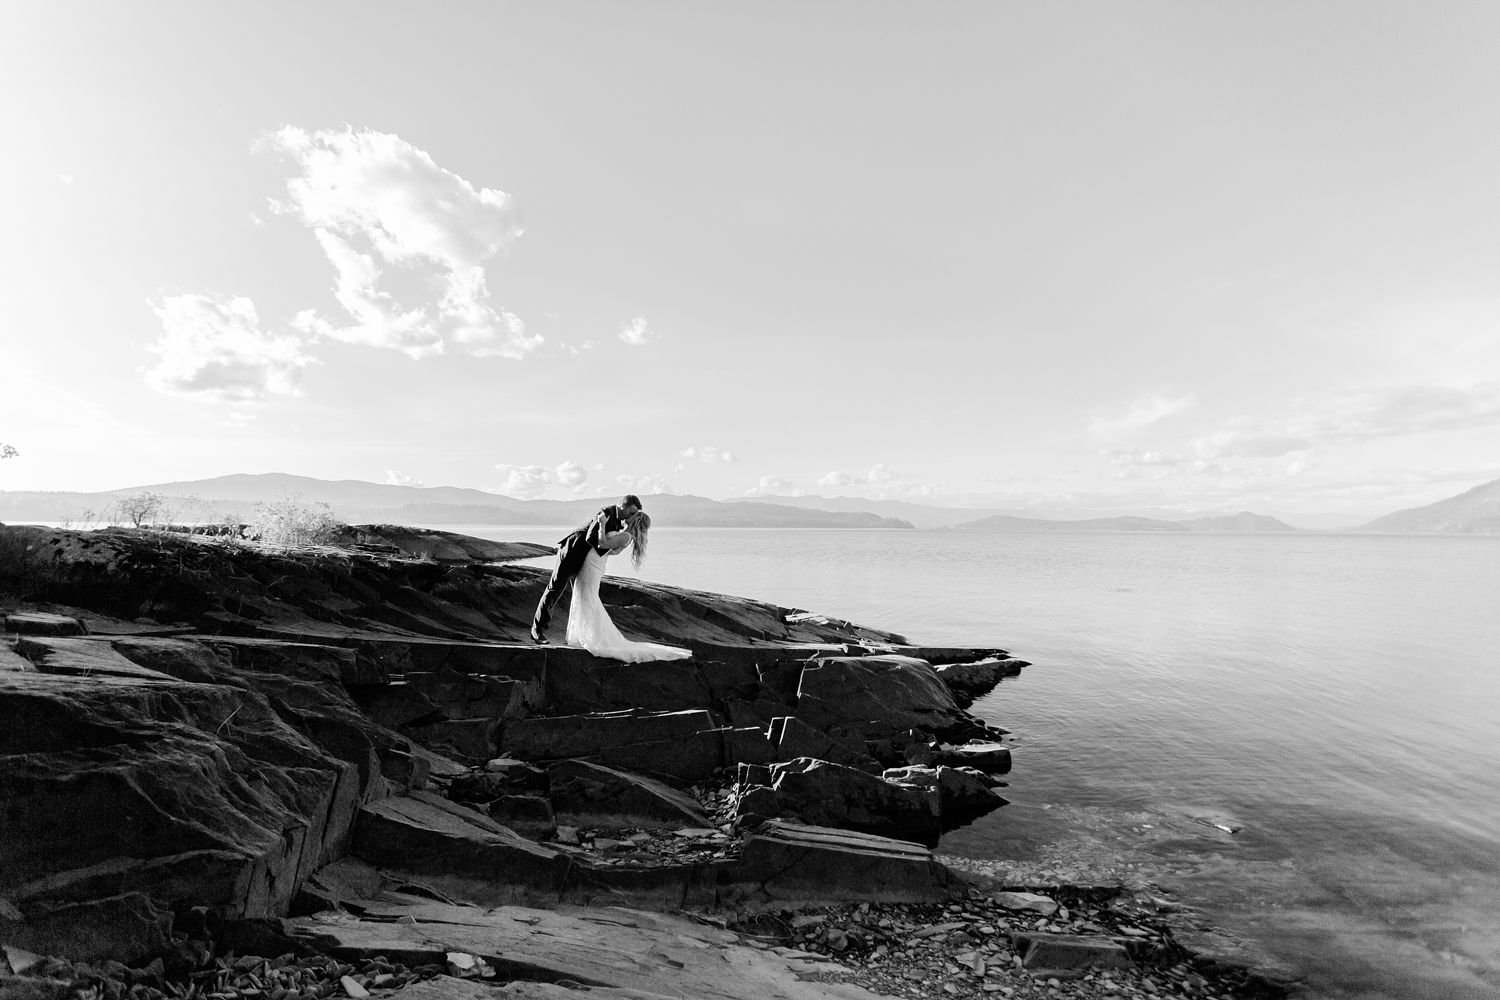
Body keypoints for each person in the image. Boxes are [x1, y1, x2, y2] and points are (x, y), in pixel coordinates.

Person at [566, 511, 691, 663]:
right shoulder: (625, 535)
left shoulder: (626, 536)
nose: (627, 517)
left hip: (593, 565)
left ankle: (592, 636)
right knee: (584, 595)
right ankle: (582, 633)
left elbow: (603, 544)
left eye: (632, 515)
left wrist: (602, 524)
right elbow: (611, 551)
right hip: (594, 563)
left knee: (588, 597)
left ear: (635, 521)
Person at [530, 495, 642, 644]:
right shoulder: (606, 513)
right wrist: (604, 549)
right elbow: (591, 537)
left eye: (634, 514)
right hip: (571, 552)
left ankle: (575, 635)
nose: (632, 516)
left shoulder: (617, 521)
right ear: (623, 505)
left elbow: (610, 545)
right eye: (631, 512)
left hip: (585, 560)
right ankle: (537, 630)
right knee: (555, 589)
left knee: (578, 596)